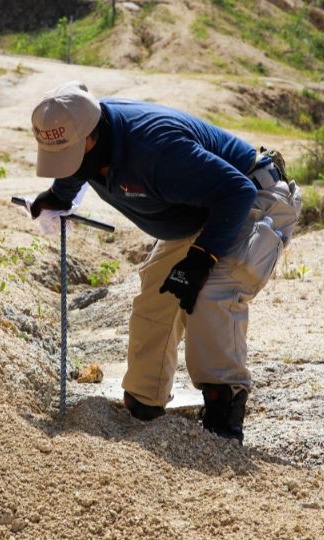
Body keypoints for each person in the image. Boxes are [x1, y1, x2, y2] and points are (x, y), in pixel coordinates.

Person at [28, 81, 301, 443]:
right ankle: (144, 402)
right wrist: (57, 196)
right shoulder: (84, 130)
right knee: (156, 294)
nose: (69, 165)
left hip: (251, 199)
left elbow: (236, 192)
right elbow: (74, 167)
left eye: (72, 155)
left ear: (91, 139)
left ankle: (223, 413)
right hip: (201, 207)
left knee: (210, 294)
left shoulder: (155, 149)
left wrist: (201, 259)